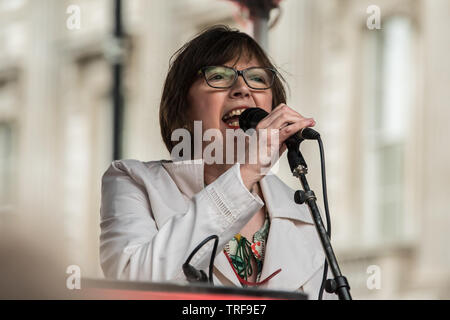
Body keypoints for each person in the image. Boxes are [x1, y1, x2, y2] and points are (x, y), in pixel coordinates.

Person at [100, 25, 336, 299]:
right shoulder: (133, 181)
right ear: (183, 107)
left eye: (257, 79)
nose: (242, 88)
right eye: (218, 76)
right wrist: (246, 172)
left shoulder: (301, 208)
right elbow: (132, 286)